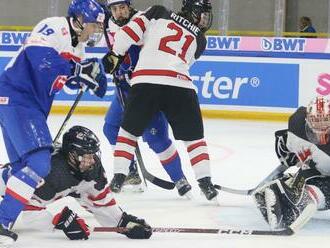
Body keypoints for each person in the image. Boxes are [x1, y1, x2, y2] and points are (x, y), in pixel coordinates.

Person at [0, 0, 108, 245]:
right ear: (77, 19)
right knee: (39, 163)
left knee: (23, 169)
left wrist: (88, 79)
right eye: (92, 25)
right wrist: (79, 70)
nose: (95, 32)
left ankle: (7, 213)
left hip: (26, 105)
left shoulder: (78, 47)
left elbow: (67, 76)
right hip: (18, 98)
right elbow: (40, 59)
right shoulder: (55, 26)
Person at [102, 0, 219, 201]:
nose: (119, 12)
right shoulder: (200, 38)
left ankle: (175, 178)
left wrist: (115, 55)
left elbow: (125, 40)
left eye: (122, 7)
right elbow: (185, 61)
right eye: (115, 8)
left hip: (144, 82)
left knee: (140, 135)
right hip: (172, 84)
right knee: (194, 139)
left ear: (129, 7)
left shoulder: (156, 12)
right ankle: (205, 182)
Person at [0, 126, 152, 241]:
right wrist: (59, 222)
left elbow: (101, 202)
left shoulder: (92, 168)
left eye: (92, 155)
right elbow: (30, 210)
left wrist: (123, 222)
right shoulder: (51, 172)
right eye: (85, 156)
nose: (91, 161)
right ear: (71, 154)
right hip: (6, 185)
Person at [254, 96, 330, 231]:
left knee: (320, 188)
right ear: (307, 119)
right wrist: (289, 161)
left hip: (321, 174)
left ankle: (297, 196)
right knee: (312, 184)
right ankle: (296, 195)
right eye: (316, 120)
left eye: (324, 121)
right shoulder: (297, 122)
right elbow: (284, 141)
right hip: (312, 168)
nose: (320, 125)